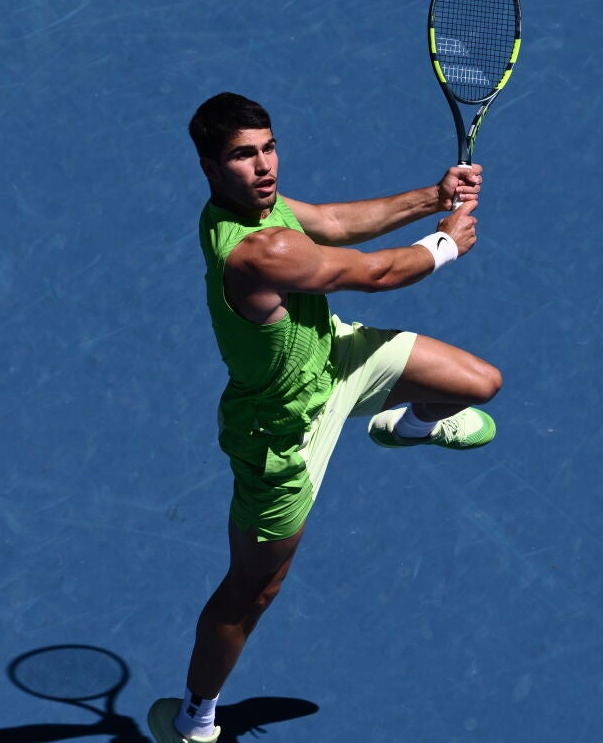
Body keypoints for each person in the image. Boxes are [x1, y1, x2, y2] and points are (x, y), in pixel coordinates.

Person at [147, 92, 502, 743]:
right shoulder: (257, 251)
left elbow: (334, 222)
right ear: (209, 167)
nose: (264, 166)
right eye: (243, 156)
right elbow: (373, 274)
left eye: (269, 147)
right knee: (255, 590)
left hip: (335, 358)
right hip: (281, 432)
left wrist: (433, 195)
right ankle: (194, 717)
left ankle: (408, 426)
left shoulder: (265, 207)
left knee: (480, 383)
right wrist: (444, 245)